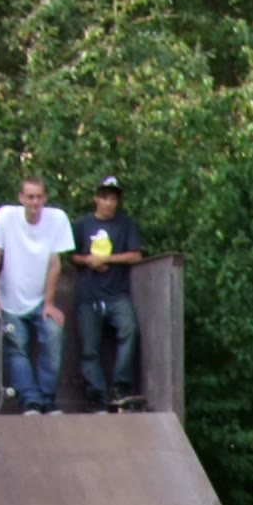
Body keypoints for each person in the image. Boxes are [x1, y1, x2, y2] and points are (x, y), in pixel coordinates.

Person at [0, 177, 74, 414]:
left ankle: (47, 399)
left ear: (45, 198)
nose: (35, 202)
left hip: (40, 299)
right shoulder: (5, 216)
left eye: (39, 197)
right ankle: (30, 400)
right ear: (21, 198)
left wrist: (49, 303)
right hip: (9, 299)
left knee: (53, 333)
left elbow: (55, 264)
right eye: (30, 197)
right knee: (16, 348)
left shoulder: (57, 219)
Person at [71, 176, 143, 411]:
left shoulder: (126, 224)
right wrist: (88, 261)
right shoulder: (82, 224)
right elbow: (71, 255)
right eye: (104, 198)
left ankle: (120, 387)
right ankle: (97, 395)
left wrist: (107, 259)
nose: (108, 203)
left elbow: (135, 255)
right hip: (89, 295)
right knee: (89, 349)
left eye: (113, 199)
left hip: (117, 294)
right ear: (96, 198)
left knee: (129, 330)